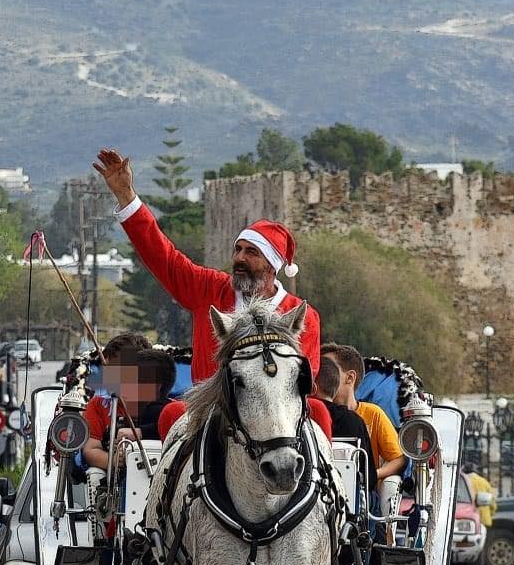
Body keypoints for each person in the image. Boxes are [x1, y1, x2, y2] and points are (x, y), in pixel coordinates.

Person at [92, 147, 333, 442]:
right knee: (171, 415)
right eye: (238, 250)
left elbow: (300, 380)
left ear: (273, 265)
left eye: (252, 252)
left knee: (319, 412)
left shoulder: (301, 315)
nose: (239, 258)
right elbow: (163, 257)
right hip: (213, 416)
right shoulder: (209, 289)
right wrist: (126, 196)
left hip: (276, 418)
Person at [81, 334, 173, 469]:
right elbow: (91, 449)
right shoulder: (98, 405)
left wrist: (142, 432)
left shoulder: (168, 407)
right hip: (112, 480)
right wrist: (113, 460)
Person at [323, 344, 406, 482]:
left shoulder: (373, 414)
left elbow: (398, 459)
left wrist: (370, 475)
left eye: (328, 371)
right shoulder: (313, 412)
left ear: (350, 378)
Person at [312, 352, 377, 495]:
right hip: (349, 505)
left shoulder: (302, 417)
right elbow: (370, 479)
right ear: (334, 388)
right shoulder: (355, 421)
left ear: (313, 387)